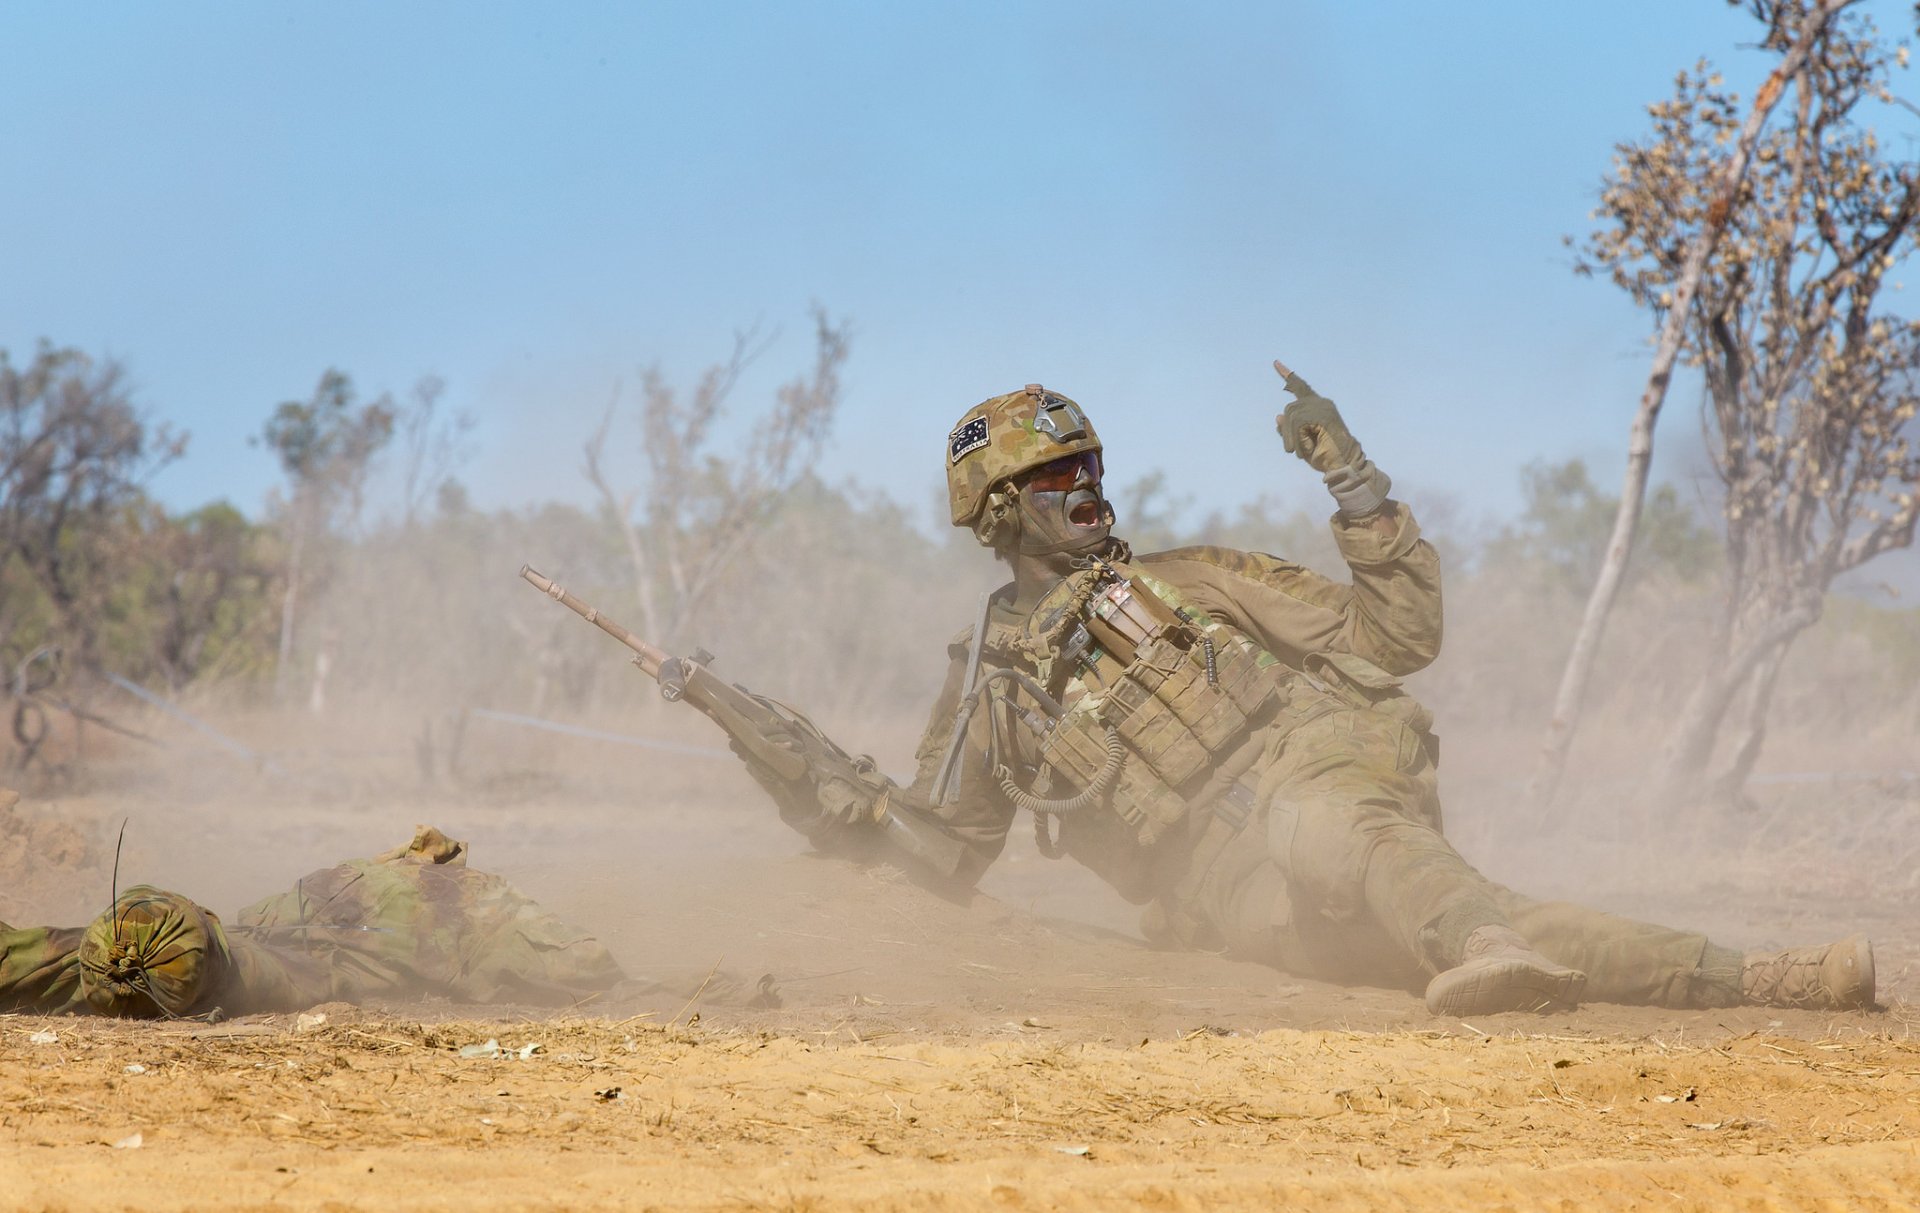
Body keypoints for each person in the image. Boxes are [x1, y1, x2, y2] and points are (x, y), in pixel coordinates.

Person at [753, 370, 1875, 1016]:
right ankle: (1768, 975)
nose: (1086, 490)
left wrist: (1352, 479)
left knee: (1340, 834)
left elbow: (1399, 632)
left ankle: (1479, 942)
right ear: (998, 510)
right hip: (1217, 882)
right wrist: (811, 784)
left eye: (1090, 466)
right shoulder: (986, 684)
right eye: (1054, 476)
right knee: (1465, 936)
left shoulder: (1191, 581)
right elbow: (945, 850)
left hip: (1317, 770)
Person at [0, 824, 626, 1017]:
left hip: (207, 938)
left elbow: (254, 921)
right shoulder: (483, 905)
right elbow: (587, 964)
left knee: (63, 952)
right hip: (221, 957)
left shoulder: (354, 875)